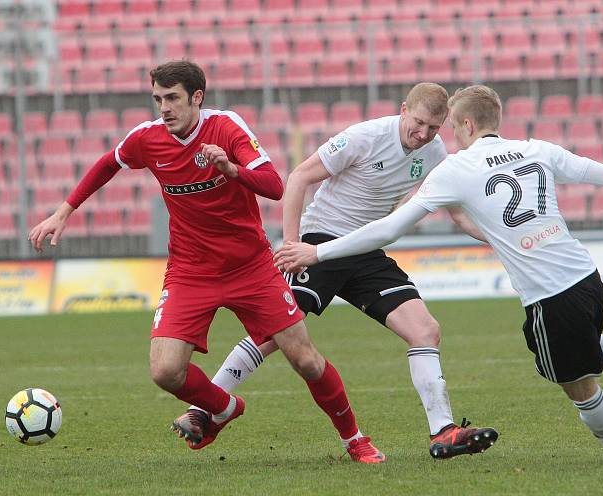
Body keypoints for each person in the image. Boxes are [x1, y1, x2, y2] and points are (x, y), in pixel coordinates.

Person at [274, 85, 603, 461]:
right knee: (582, 346)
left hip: (549, 293)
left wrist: (318, 253)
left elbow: (389, 227)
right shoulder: (535, 148)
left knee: (577, 382)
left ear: (462, 124)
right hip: (586, 276)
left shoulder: (457, 167)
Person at [28, 60, 386, 464]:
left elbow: (274, 185)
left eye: (173, 98)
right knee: (165, 372)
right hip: (190, 271)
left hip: (250, 267)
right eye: (158, 99)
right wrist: (63, 212)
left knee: (304, 359)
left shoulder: (226, 127)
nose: (164, 108)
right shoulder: (147, 138)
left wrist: (230, 169)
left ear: (196, 97)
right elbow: (109, 162)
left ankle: (354, 439)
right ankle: (224, 407)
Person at [195, 82, 499, 460]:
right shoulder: (365, 136)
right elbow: (299, 178)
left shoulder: (435, 152)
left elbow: (456, 210)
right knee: (275, 333)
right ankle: (206, 409)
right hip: (320, 241)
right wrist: (293, 245)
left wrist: (495, 236)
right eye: (418, 123)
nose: (423, 135)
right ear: (404, 110)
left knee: (425, 330)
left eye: (433, 128)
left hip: (366, 248)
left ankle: (443, 431)